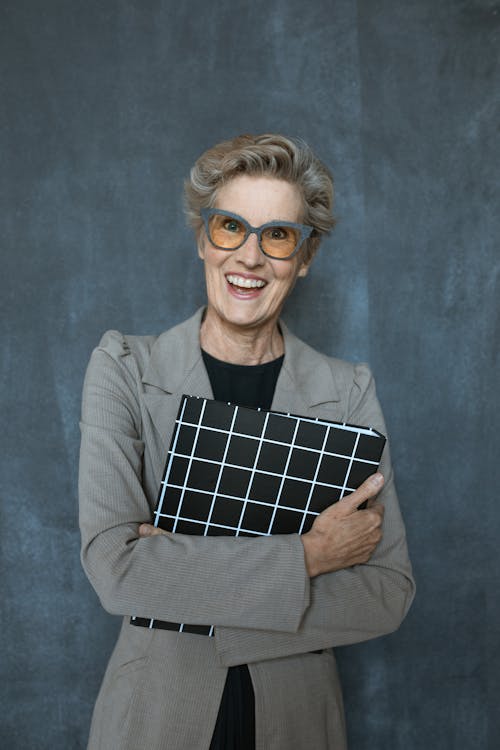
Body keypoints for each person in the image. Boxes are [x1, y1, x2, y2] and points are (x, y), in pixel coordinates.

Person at [79, 133, 415, 750]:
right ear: (204, 239)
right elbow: (116, 571)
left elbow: (385, 594)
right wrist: (310, 557)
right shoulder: (125, 366)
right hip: (155, 719)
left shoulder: (347, 392)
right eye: (231, 227)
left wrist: (183, 580)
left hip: (301, 721)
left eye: (278, 235)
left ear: (304, 256)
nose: (251, 258)